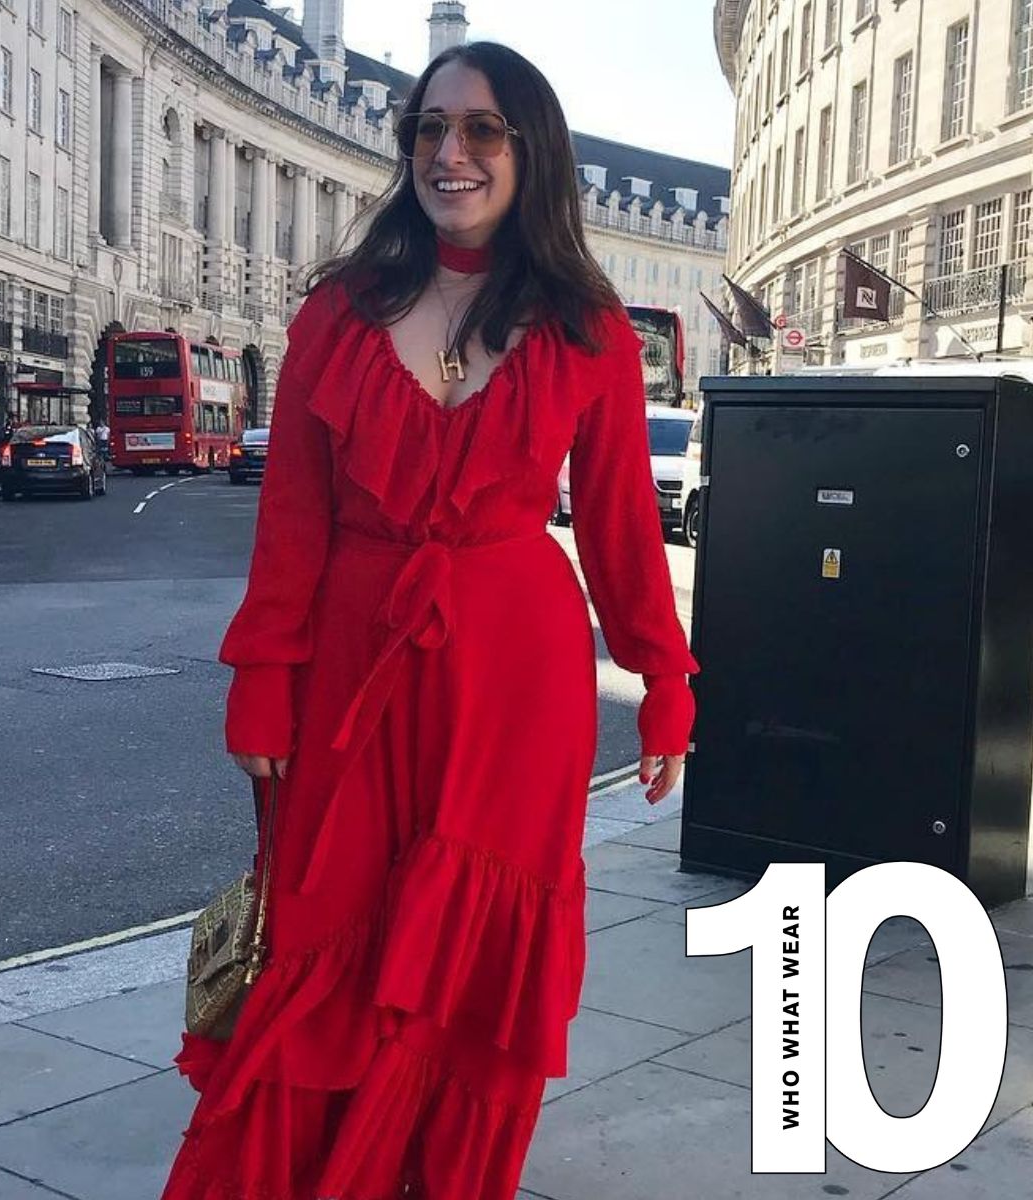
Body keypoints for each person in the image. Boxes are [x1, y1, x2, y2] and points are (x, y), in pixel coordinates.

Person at [160, 43, 698, 1200]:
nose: (451, 153)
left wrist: (664, 680)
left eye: (482, 130)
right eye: (430, 129)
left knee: (474, 959)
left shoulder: (590, 329)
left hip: (518, 684)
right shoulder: (338, 313)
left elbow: (620, 529)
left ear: (531, 151)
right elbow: (291, 520)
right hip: (352, 665)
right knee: (327, 923)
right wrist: (261, 676)